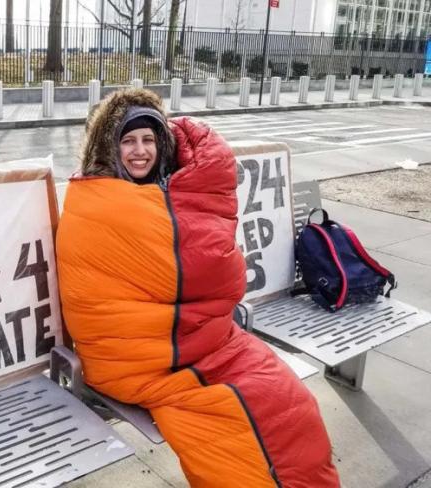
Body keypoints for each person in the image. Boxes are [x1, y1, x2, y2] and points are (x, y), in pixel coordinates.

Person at [56, 88, 340, 487]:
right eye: (128, 141)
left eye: (149, 140)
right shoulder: (95, 200)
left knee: (290, 402)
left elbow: (220, 275)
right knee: (235, 435)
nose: (140, 151)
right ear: (109, 147)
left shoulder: (175, 192)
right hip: (144, 360)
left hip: (209, 340)